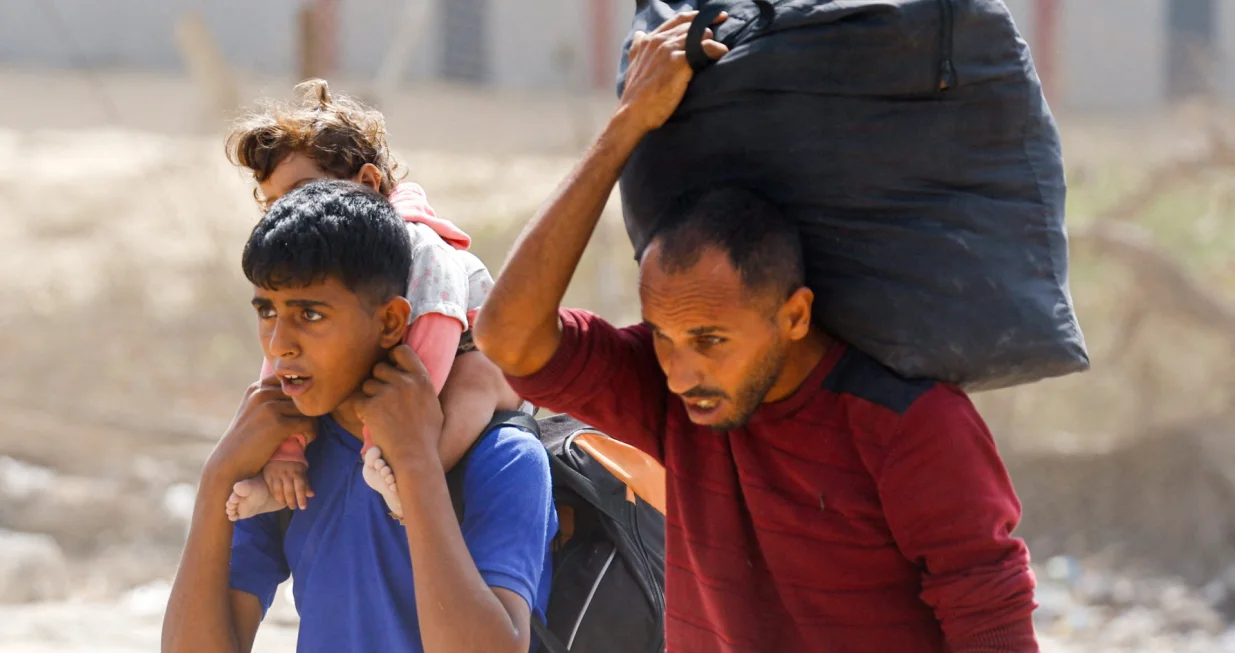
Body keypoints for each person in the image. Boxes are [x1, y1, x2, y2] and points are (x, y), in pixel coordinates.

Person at [473, 10, 1039, 653]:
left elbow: (994, 629)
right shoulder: (670, 395)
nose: (681, 372)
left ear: (794, 316)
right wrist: (627, 124)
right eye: (662, 335)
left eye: (711, 340)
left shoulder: (913, 428)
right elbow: (507, 336)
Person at [162, 180, 557, 653]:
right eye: (267, 310)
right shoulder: (288, 466)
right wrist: (218, 477)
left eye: (310, 315)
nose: (279, 343)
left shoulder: (502, 458)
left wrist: (415, 464)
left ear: (391, 321)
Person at [221, 79, 513, 521]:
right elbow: (284, 344)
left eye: (301, 192)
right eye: (273, 203)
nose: (287, 212)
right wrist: (285, 449)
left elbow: (436, 329)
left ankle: (415, 485)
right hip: (382, 365)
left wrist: (386, 438)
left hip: (466, 358)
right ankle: (283, 491)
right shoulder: (311, 276)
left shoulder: (422, 245)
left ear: (367, 182)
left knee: (477, 381)